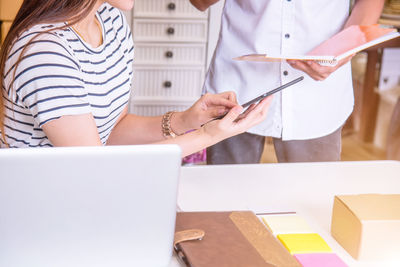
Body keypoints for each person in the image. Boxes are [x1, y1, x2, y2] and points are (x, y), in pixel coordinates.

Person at [0, 0, 272, 157]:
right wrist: (207, 135)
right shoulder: (47, 52)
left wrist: (187, 120)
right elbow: (92, 168)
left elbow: (114, 130)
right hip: (41, 214)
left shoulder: (110, 20)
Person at [190, 0, 385, 164]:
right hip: (237, 85)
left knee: (312, 204)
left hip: (317, 94)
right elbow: (199, 2)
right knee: (224, 201)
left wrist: (346, 48)